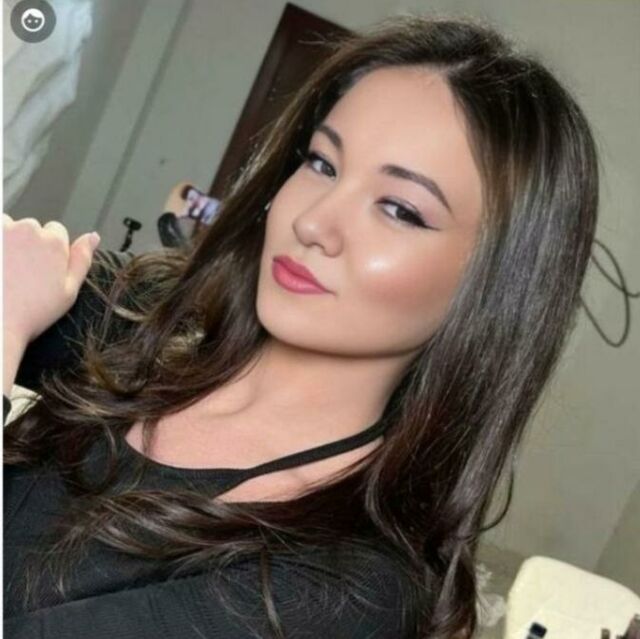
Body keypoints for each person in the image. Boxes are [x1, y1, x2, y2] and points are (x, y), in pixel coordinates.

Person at [2, 13, 599, 639]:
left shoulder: (350, 590)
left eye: (399, 209)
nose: (313, 221)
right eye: (322, 164)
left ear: (493, 288)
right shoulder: (142, 314)